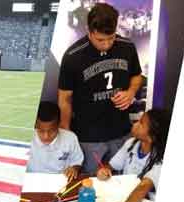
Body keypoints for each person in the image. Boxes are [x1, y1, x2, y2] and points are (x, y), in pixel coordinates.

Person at [58, 3, 144, 174]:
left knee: (120, 181)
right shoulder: (73, 56)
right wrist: (66, 134)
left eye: (111, 38)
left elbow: (137, 75)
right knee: (90, 181)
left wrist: (131, 92)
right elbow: (65, 98)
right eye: (100, 40)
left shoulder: (127, 46)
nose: (106, 44)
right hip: (89, 137)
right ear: (88, 31)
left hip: (121, 132)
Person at [96, 109, 169, 202]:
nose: (135, 123)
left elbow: (143, 187)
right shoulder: (131, 143)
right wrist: (104, 170)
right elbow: (111, 166)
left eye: (141, 123)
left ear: (151, 137)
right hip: (123, 196)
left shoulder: (161, 158)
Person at [26, 102, 83, 182]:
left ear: (58, 124)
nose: (46, 136)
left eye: (52, 131)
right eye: (41, 131)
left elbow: (77, 161)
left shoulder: (70, 138)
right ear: (35, 126)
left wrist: (74, 168)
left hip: (61, 181)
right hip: (32, 181)